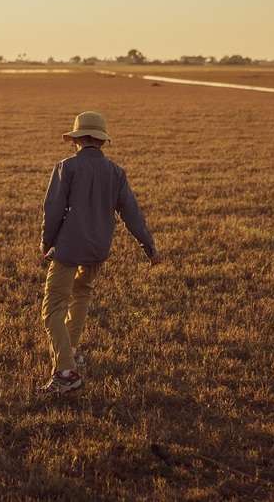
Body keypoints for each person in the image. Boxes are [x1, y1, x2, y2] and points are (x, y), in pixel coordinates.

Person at [38, 111, 160, 395]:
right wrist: (148, 246)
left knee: (53, 307)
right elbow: (132, 213)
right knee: (81, 295)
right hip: (98, 248)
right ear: (102, 142)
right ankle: (71, 350)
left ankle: (66, 372)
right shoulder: (116, 172)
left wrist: (46, 244)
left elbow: (52, 210)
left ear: (77, 140)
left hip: (69, 247)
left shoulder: (66, 168)